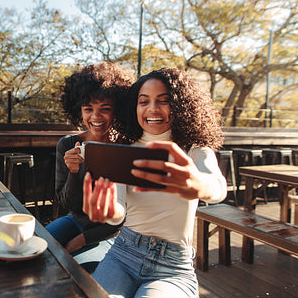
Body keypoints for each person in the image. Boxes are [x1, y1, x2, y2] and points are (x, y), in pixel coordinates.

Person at [82, 68, 227, 297]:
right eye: (143, 101)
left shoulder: (195, 151)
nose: (152, 109)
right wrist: (107, 211)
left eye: (164, 101)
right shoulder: (125, 152)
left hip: (172, 269)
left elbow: (218, 186)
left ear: (180, 107)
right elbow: (118, 213)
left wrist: (199, 184)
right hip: (123, 254)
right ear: (135, 107)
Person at [46, 61, 133, 272]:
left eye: (105, 109)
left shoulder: (125, 147)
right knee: (37, 247)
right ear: (79, 111)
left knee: (79, 269)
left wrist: (81, 241)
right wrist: (74, 172)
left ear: (117, 111)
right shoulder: (67, 144)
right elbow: (67, 203)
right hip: (74, 220)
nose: (95, 117)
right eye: (88, 109)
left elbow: (125, 215)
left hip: (111, 233)